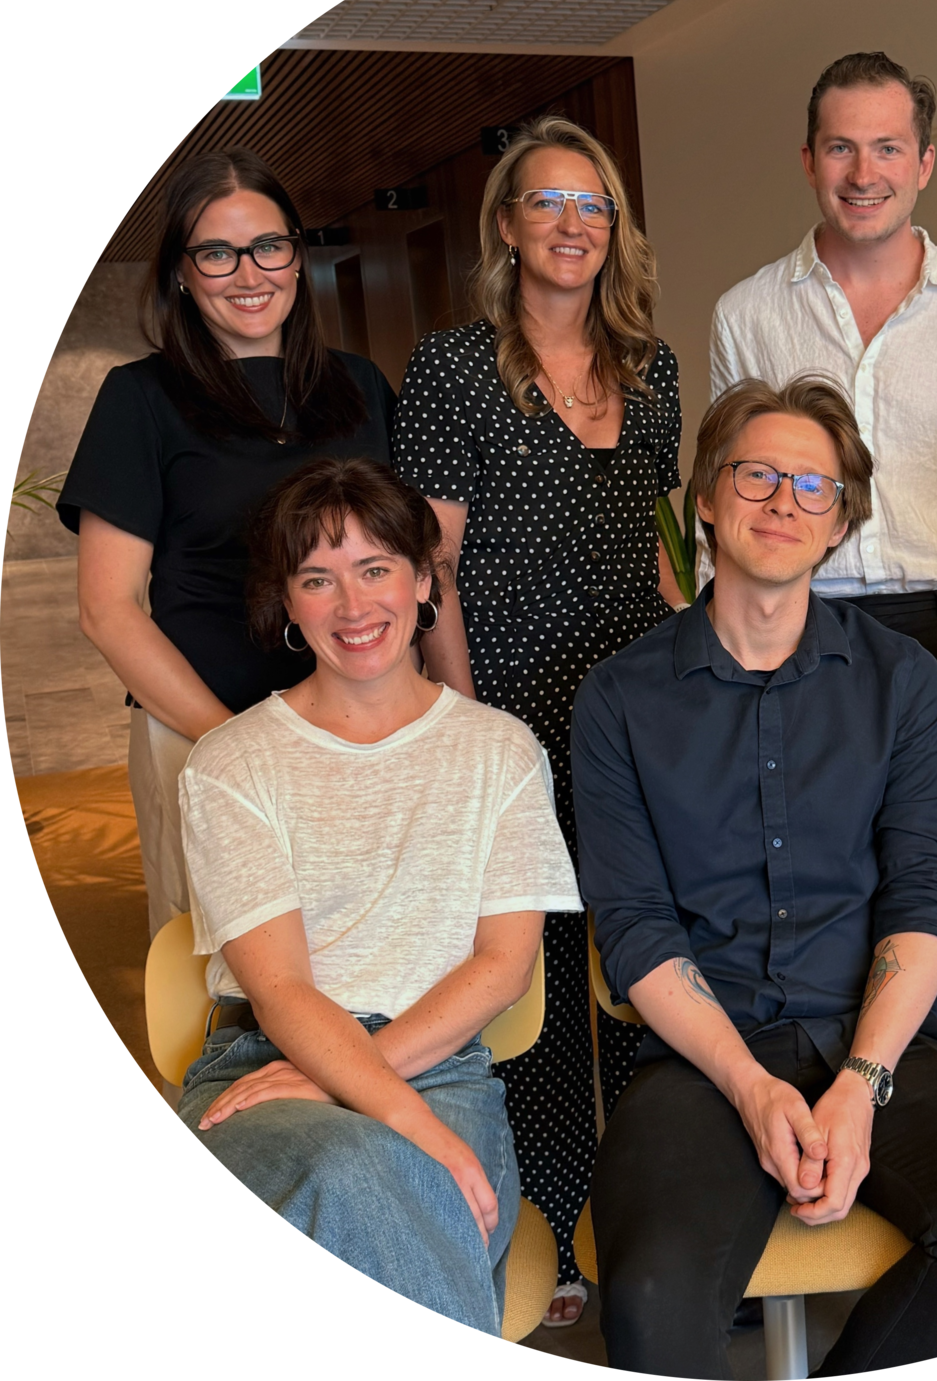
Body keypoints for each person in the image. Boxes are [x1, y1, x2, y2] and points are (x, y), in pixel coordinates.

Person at [574, 377, 937, 1377]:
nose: (785, 502)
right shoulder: (618, 697)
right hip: (702, 1061)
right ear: (706, 497)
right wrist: (751, 1088)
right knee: (653, 1294)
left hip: (882, 1046)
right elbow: (633, 927)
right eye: (757, 476)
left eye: (814, 486)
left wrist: (861, 1082)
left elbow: (926, 896)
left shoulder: (902, 683)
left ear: (840, 521)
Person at [177, 456, 581, 1338]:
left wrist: (364, 1090)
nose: (354, 608)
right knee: (358, 1176)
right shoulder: (231, 764)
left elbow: (504, 967)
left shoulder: (502, 753)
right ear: (287, 602)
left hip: (443, 1073)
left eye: (375, 569)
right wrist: (407, 1127)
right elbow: (279, 988)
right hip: (264, 1071)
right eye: (319, 579)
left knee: (354, 1193)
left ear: (423, 580)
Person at [391, 115, 685, 1325]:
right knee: (543, 980)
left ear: (615, 231)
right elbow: (433, 571)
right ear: (506, 227)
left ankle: (650, 1215)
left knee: (642, 956)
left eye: (594, 205)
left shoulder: (654, 369)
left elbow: (666, 551)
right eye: (548, 203)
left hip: (634, 708)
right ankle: (556, 1234)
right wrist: (474, 728)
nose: (573, 224)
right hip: (508, 705)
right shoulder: (456, 371)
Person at [707, 51, 937, 809]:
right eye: (842, 147)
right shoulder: (747, 315)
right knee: (790, 851)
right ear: (810, 160)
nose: (863, 172)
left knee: (925, 862)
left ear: (925, 162)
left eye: (888, 148)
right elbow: (729, 493)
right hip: (792, 621)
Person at [57, 148, 393, 940]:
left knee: (363, 949)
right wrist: (238, 746)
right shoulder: (139, 398)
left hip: (355, 729)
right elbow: (107, 611)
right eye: (217, 252)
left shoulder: (360, 386)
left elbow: (401, 563)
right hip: (201, 732)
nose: (250, 273)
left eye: (269, 246)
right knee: (215, 973)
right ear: (181, 270)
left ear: (297, 256)